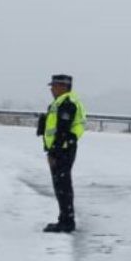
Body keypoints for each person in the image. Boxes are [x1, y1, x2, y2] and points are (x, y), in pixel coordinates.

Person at [38, 74, 86, 232]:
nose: (51, 89)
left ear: (63, 87)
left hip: (62, 150)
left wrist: (54, 153)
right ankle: (65, 219)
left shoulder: (67, 103)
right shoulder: (62, 102)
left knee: (62, 187)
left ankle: (66, 222)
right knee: (62, 186)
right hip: (62, 149)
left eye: (54, 85)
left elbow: (62, 131)